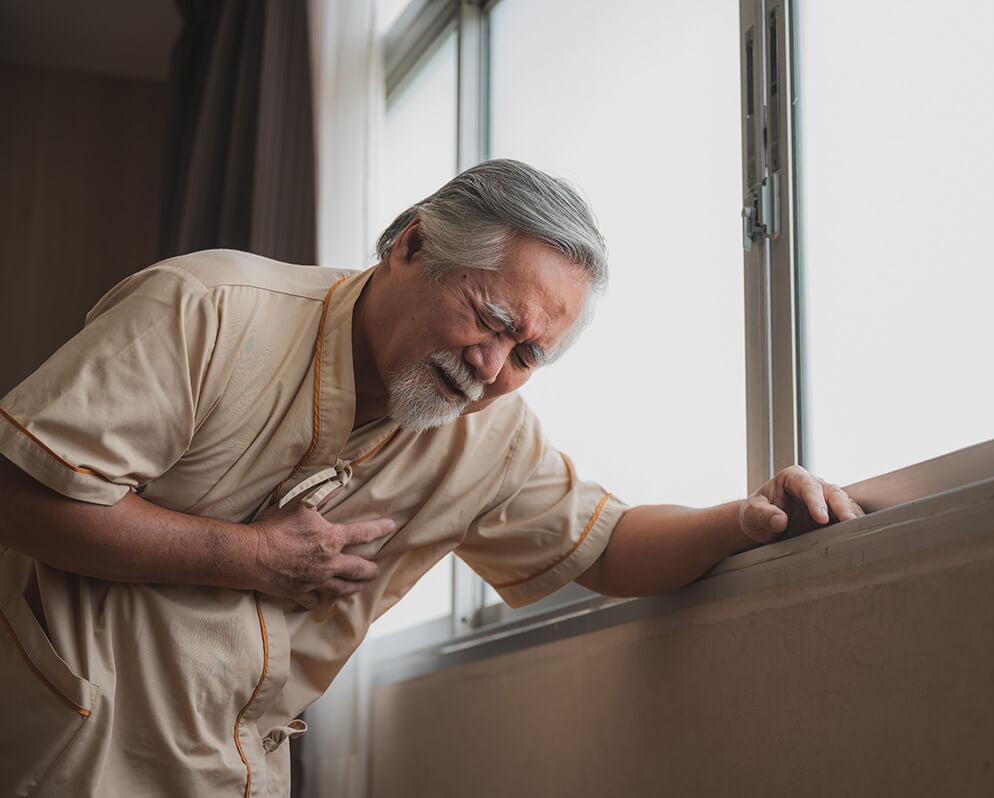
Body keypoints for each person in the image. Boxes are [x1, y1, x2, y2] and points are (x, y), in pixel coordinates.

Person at [0, 159, 861, 797]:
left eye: (527, 354)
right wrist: (251, 560)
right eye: (489, 319)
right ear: (412, 245)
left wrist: (747, 520)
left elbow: (605, 547)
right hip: (58, 751)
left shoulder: (492, 436)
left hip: (234, 777)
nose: (490, 368)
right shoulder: (206, 310)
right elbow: (17, 496)